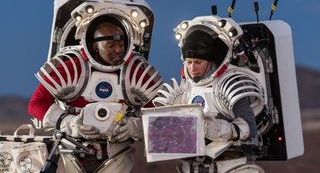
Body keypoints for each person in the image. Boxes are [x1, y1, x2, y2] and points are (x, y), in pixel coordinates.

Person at [28, 15, 162, 172]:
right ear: (94, 46)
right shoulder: (70, 67)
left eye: (121, 44)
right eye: (110, 45)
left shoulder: (138, 72)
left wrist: (135, 127)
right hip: (70, 151)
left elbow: (160, 118)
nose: (118, 50)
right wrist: (69, 123)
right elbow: (36, 104)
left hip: (117, 155)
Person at [153, 25, 265, 172]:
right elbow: (157, 127)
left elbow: (249, 128)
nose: (192, 68)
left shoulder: (228, 85)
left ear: (210, 61)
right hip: (191, 167)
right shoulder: (183, 91)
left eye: (198, 62)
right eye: (189, 62)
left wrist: (214, 128)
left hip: (230, 165)